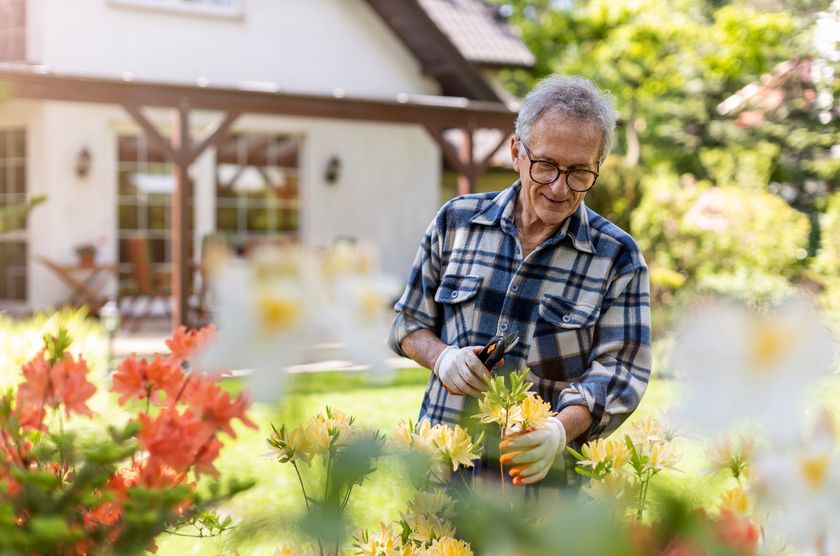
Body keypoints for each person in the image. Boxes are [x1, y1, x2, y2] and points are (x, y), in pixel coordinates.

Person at [388, 75, 651, 486]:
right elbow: (407, 323)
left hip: (541, 493)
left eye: (580, 172)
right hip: (442, 476)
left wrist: (562, 428)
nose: (559, 187)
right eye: (545, 165)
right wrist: (442, 357)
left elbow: (622, 371)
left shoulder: (618, 257)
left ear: (597, 167)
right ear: (516, 152)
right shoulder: (456, 221)